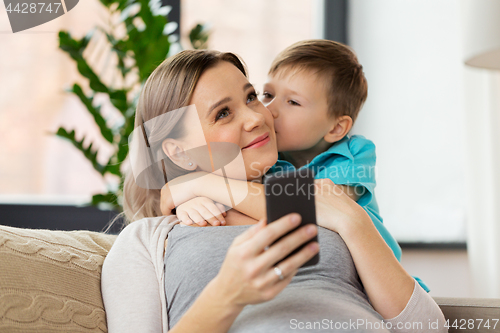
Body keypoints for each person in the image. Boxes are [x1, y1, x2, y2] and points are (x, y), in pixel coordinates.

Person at [101, 49, 447, 332]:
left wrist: (352, 221)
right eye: (223, 113)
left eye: (251, 97)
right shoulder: (147, 239)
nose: (256, 117)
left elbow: (427, 328)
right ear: (178, 152)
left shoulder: (320, 188)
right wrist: (226, 296)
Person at [159, 40, 411, 287]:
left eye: (293, 102)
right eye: (266, 95)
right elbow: (254, 212)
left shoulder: (353, 153)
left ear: (336, 127)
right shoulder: (269, 161)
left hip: (379, 285)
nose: (267, 111)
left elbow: (306, 210)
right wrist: (192, 203)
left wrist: (200, 186)